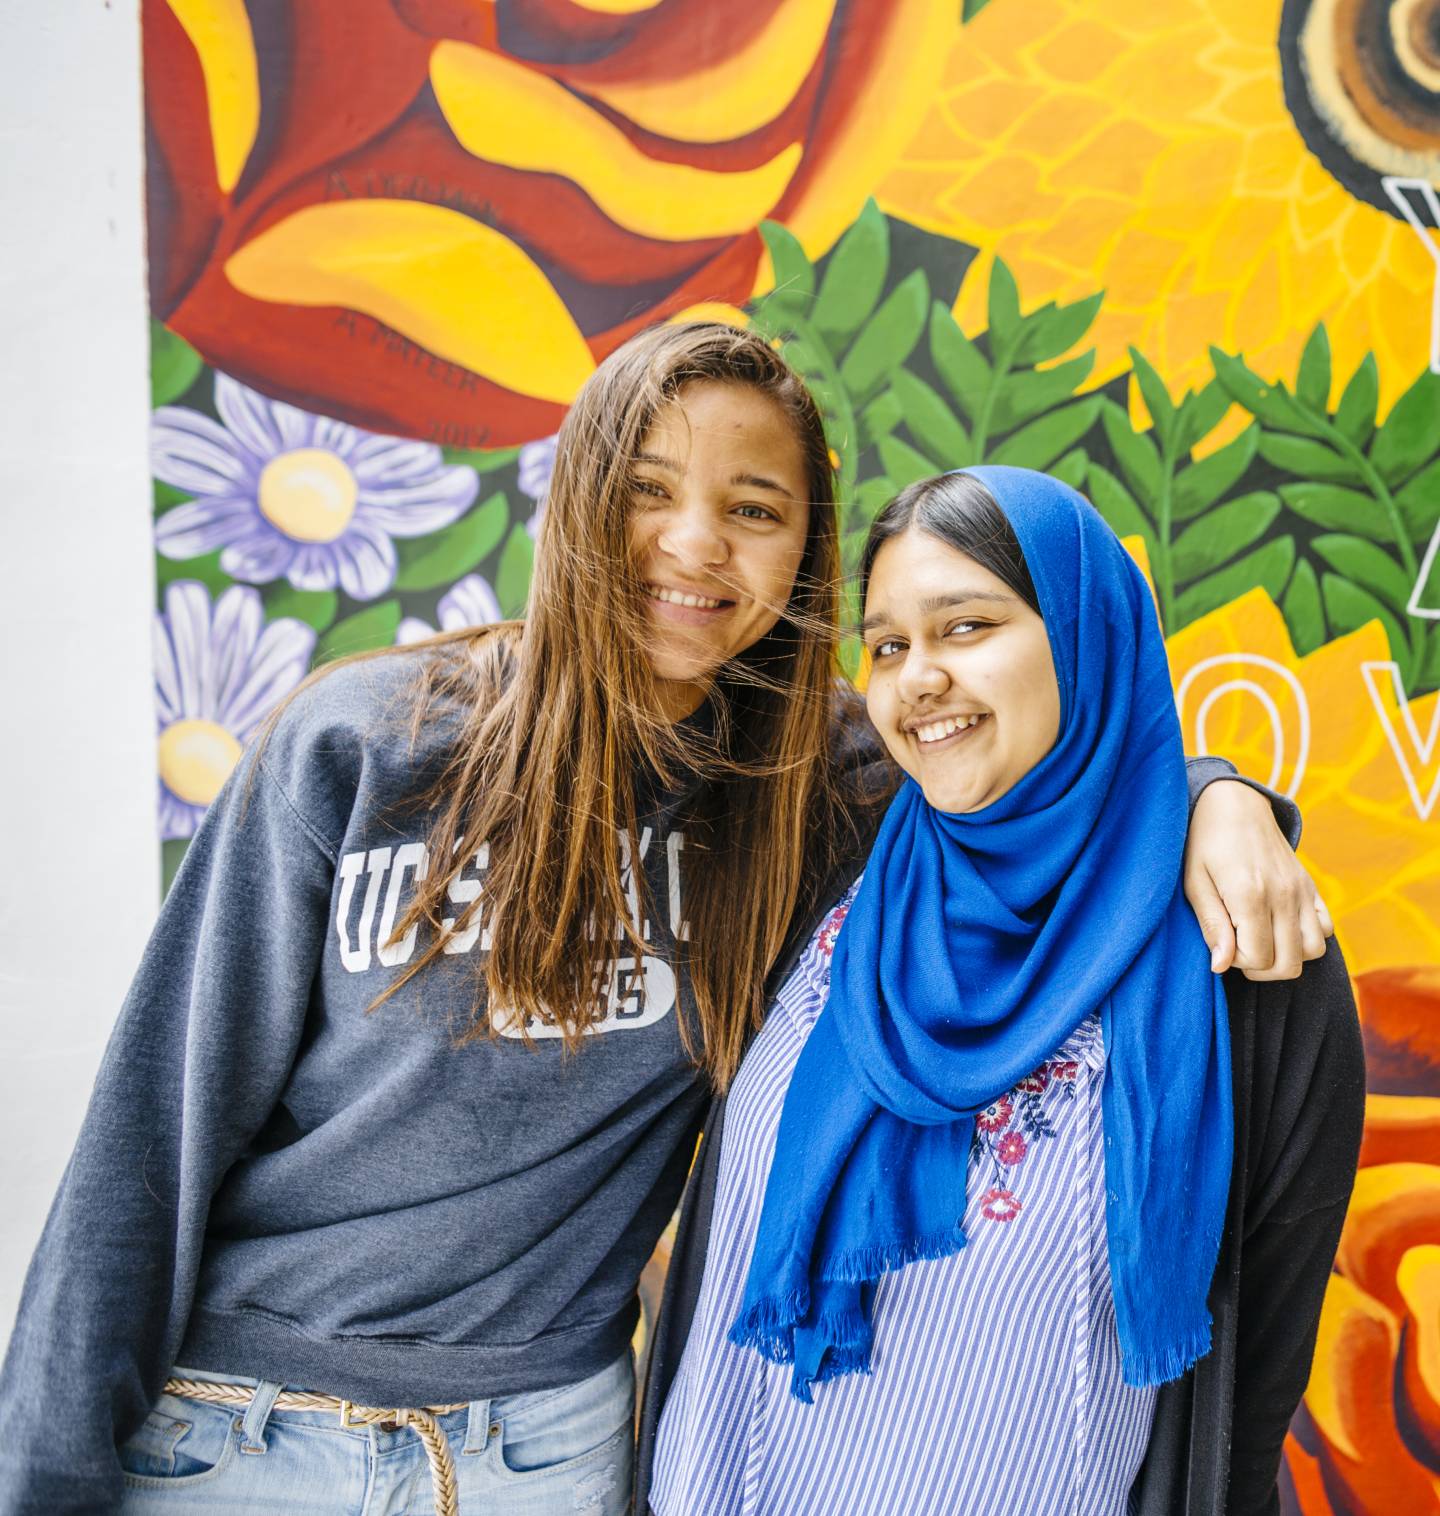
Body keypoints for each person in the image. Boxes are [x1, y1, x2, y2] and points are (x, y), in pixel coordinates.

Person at [0, 330, 1324, 1516]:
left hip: (548, 1447)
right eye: (646, 490)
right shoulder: (366, 747)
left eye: (754, 509)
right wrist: (46, 1474)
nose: (695, 546)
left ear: (802, 549)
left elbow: (1047, 751)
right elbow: (149, 1133)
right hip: (244, 1428)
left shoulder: (816, 795)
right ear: (577, 502)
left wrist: (1218, 798)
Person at [642, 468, 1364, 1516]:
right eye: (887, 646)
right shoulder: (831, 854)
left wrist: (1214, 797)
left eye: (966, 625)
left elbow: (1256, 1377)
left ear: (1084, 634)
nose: (915, 678)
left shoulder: (1242, 958)